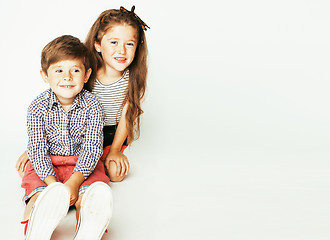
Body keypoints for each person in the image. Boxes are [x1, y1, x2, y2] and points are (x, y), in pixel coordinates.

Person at [16, 6, 150, 183]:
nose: (122, 50)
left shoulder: (132, 79)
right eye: (114, 42)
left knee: (116, 174)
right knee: (27, 168)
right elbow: (65, 108)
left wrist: (115, 149)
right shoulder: (86, 74)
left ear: (137, 46)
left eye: (129, 44)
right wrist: (34, 148)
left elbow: (127, 116)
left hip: (110, 135)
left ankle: (92, 168)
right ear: (97, 45)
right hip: (77, 131)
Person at [21, 35, 112, 240]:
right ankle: (37, 225)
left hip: (82, 164)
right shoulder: (37, 107)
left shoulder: (92, 106)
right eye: (59, 70)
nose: (67, 77)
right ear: (45, 75)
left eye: (75, 70)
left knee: (91, 191)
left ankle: (89, 224)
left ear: (87, 74)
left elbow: (92, 148)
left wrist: (75, 182)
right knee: (38, 194)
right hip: (47, 164)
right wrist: (52, 184)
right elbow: (36, 148)